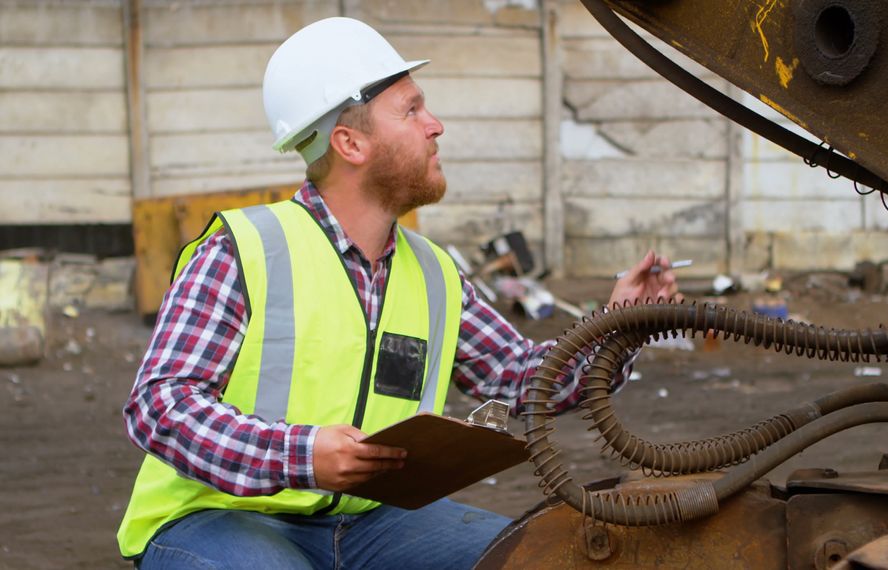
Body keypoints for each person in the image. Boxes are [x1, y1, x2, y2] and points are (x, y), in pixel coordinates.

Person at [117, 16, 680, 569]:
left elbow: (518, 379)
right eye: (411, 110)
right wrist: (303, 456)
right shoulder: (245, 250)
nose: (435, 125)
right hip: (220, 515)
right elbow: (159, 405)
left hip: (372, 521)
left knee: (536, 558)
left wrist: (618, 322)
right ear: (350, 143)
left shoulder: (434, 272)